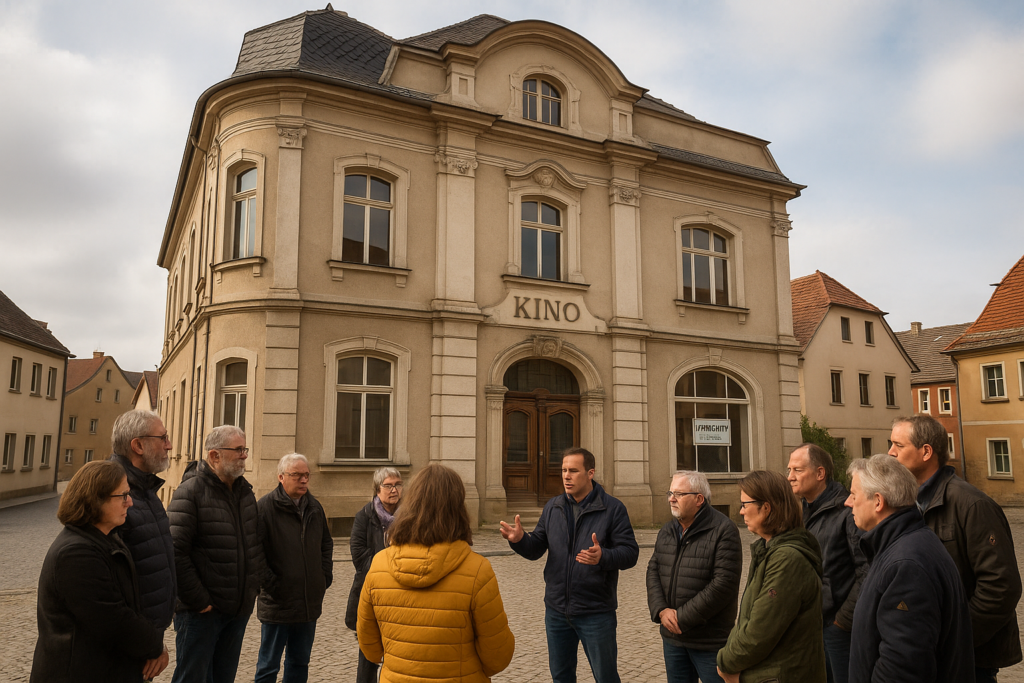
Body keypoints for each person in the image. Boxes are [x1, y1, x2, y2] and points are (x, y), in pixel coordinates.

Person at [889, 415, 1021, 682]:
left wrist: (956, 638)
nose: (890, 452)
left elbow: (1001, 587)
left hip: (967, 659)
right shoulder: (904, 504)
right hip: (924, 652)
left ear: (926, 452)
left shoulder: (972, 505)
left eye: (898, 445)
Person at [357, 463, 515, 681]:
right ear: (458, 508)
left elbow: (370, 646)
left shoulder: (379, 564)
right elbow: (498, 655)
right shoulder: (477, 570)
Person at [500, 447, 639, 683]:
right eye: (564, 470)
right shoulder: (553, 507)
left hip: (595, 611)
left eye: (573, 471)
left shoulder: (613, 509)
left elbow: (630, 553)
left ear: (590, 473)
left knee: (605, 677)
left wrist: (603, 556)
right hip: (556, 611)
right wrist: (520, 540)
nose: (566, 476)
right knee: (561, 676)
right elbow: (535, 550)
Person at [31, 460, 165, 682]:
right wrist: (155, 646)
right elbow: (114, 621)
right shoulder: (76, 553)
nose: (129, 502)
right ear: (96, 500)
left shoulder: (105, 540)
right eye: (122, 495)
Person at [846, 454, 974, 683]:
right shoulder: (903, 545)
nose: (847, 502)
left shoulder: (906, 565)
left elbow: (903, 668)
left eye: (854, 495)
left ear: (877, 501)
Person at [168, 425, 263, 683]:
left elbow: (253, 545)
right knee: (193, 678)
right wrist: (200, 601)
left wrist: (252, 588)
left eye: (245, 449)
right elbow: (175, 553)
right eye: (238, 450)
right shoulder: (190, 492)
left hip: (237, 609)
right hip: (201, 614)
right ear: (214, 456)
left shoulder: (245, 493)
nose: (244, 455)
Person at [717, 470, 826, 683]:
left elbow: (760, 631)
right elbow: (747, 619)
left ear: (766, 508)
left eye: (744, 505)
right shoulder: (768, 550)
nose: (741, 512)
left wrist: (724, 662)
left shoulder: (787, 559)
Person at [646, 470, 741, 683]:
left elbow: (723, 585)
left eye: (679, 494)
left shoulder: (724, 530)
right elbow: (653, 570)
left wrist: (681, 618)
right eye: (670, 492)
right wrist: (661, 610)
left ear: (699, 499)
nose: (671, 498)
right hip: (673, 640)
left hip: (709, 641)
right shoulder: (667, 530)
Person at [787, 443, 867, 683]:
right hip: (808, 624)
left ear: (820, 474)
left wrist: (842, 621)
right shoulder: (800, 510)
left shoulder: (847, 512)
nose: (790, 477)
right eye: (789, 469)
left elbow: (866, 570)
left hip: (836, 628)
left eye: (797, 470)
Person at [109, 410, 176, 679]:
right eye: (163, 438)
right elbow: (112, 587)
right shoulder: (114, 495)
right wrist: (149, 643)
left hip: (146, 636)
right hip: (126, 643)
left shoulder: (146, 490)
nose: (169, 445)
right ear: (138, 445)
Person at [255, 453, 334, 683]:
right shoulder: (265, 508)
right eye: (297, 475)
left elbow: (325, 544)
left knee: (299, 663)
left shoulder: (315, 507)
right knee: (268, 666)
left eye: (306, 475)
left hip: (307, 603)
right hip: (277, 604)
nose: (303, 480)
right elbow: (256, 553)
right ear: (281, 477)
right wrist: (272, 585)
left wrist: (323, 577)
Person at [346, 466, 402, 683]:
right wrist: (389, 569)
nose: (394, 490)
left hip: (401, 596)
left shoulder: (410, 516)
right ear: (377, 489)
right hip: (371, 594)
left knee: (397, 655)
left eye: (397, 484)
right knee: (368, 656)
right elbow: (359, 556)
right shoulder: (365, 515)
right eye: (388, 485)